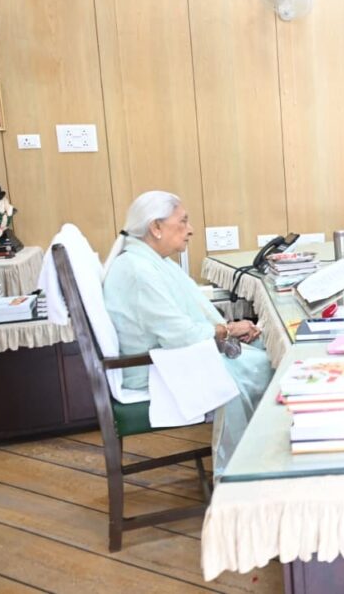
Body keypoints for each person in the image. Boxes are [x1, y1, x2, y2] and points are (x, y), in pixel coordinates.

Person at [102, 191, 272, 475]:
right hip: (155, 370)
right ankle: (253, 467)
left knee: (269, 347)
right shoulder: (139, 270)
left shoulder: (149, 260)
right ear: (156, 227)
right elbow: (180, 335)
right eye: (183, 221)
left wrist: (228, 331)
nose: (190, 229)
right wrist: (227, 330)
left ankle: (261, 457)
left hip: (167, 356)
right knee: (269, 368)